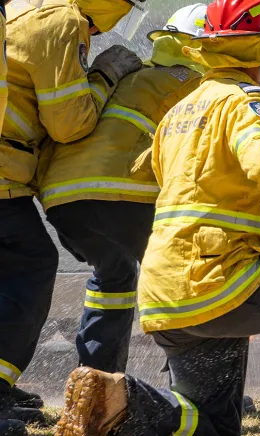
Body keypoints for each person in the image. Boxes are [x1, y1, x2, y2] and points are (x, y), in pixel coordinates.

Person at [53, 1, 260, 435]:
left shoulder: (178, 112)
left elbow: (146, 168)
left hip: (168, 295)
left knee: (212, 424)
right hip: (223, 281)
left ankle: (117, 395)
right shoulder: (247, 101)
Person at [37, 3, 208, 377]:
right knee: (187, 275)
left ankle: (97, 380)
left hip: (63, 201)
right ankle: (201, 385)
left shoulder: (133, 76)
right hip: (124, 194)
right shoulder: (200, 86)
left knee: (114, 274)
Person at [1, 0, 143, 430]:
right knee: (30, 262)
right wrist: (105, 74)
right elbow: (70, 123)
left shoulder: (25, 8)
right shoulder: (61, 20)